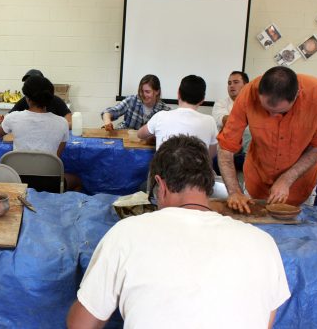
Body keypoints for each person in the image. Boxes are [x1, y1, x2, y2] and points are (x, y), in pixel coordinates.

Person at [66, 135, 290, 328]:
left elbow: (80, 325)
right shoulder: (262, 243)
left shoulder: (127, 234)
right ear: (209, 183)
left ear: (160, 185)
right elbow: (264, 322)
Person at [217, 66, 317, 212]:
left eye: (280, 112)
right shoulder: (248, 93)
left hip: (301, 185)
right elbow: (225, 148)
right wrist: (234, 191)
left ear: (297, 94)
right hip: (257, 181)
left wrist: (287, 179)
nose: (272, 117)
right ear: (259, 93)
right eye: (266, 110)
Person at [0, 75, 81, 191]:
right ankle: (59, 207)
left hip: (18, 181)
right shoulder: (62, 123)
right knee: (77, 181)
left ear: (27, 98)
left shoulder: (13, 118)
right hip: (50, 183)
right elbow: (56, 158)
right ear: (50, 98)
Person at [138, 75, 217, 158]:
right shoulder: (210, 122)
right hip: (197, 170)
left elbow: (140, 134)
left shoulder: (161, 116)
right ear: (202, 100)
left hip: (163, 170)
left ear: (178, 94)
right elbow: (210, 155)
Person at [3, 69, 72, 128]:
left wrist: (53, 127)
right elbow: (8, 116)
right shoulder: (24, 100)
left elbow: (69, 121)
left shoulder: (56, 100)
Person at [212, 71, 251, 172]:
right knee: (216, 162)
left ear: (246, 85)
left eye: (236, 82)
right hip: (228, 151)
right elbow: (225, 120)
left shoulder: (256, 104)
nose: (231, 86)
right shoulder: (221, 103)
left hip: (250, 151)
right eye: (229, 83)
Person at [101, 74, 170, 131]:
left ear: (157, 92)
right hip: (124, 137)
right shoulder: (131, 100)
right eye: (141, 91)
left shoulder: (165, 111)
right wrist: (107, 122)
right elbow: (108, 112)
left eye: (147, 92)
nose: (143, 94)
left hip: (147, 144)